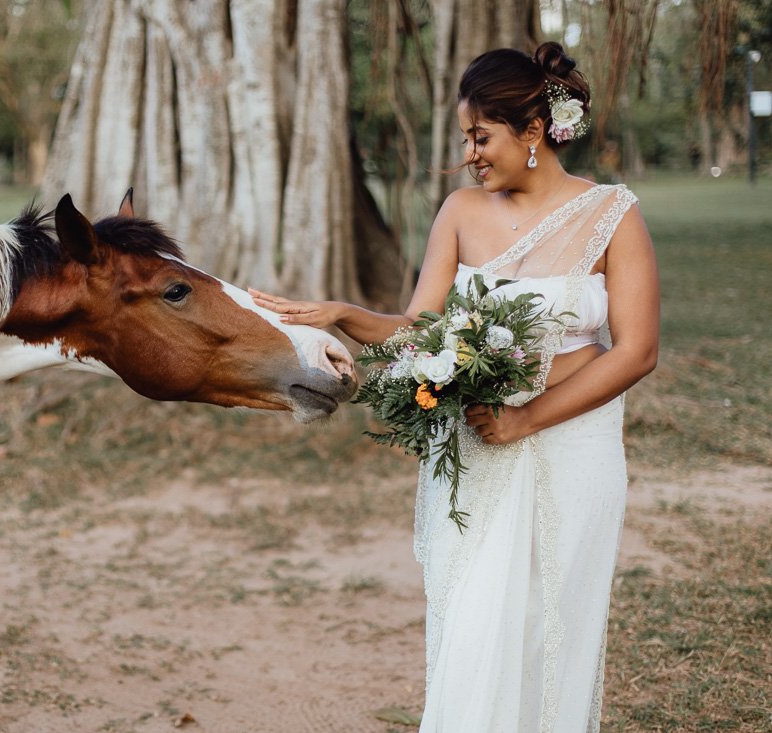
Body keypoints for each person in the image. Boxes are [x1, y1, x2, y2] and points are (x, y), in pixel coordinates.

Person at [251, 42, 658, 732]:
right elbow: (420, 331)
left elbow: (638, 349)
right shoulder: (460, 211)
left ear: (533, 132)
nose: (469, 152)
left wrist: (529, 420)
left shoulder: (612, 213)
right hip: (476, 448)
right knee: (473, 617)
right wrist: (343, 316)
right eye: (466, 137)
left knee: (551, 620)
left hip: (573, 447)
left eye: (481, 135)